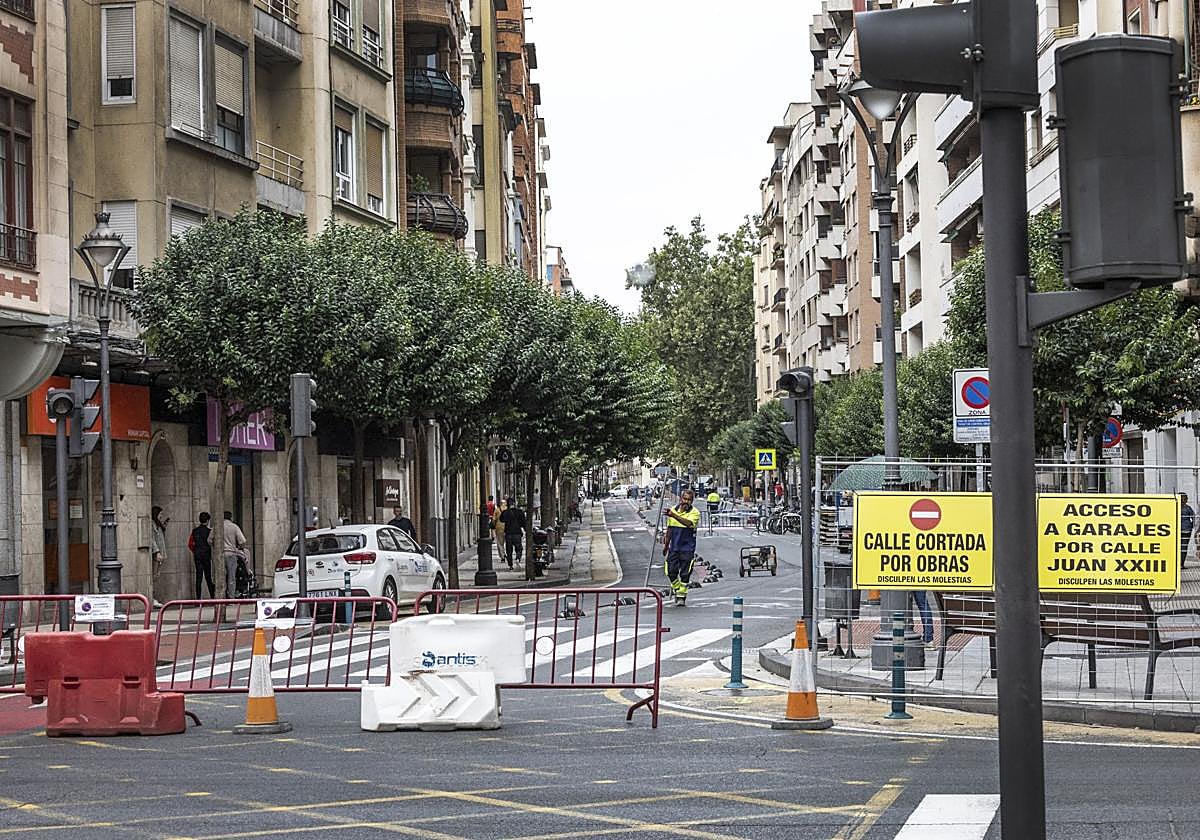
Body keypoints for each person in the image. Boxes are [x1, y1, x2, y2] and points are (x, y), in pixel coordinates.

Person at [662, 490, 701, 606]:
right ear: (681, 499)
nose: (686, 502)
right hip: (674, 548)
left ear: (692, 501)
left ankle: (681, 597)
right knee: (670, 571)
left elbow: (688, 524)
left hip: (687, 548)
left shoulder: (695, 512)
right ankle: (677, 589)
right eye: (685, 499)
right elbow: (670, 529)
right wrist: (666, 545)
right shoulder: (673, 510)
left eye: (689, 500)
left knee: (685, 574)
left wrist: (674, 515)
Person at [187, 512, 216, 599]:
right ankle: (212, 596)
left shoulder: (195, 531)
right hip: (206, 555)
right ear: (207, 521)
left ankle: (198, 598)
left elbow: (190, 544)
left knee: (198, 577)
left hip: (198, 555)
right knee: (208, 577)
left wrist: (195, 551)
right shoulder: (209, 531)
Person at [221, 511, 247, 599]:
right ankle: (231, 597)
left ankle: (221, 596)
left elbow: (209, 540)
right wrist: (239, 548)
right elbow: (243, 541)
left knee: (221, 576)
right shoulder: (234, 527)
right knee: (231, 576)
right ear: (231, 518)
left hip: (220, 555)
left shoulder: (217, 527)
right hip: (231, 554)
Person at [499, 497, 527, 570]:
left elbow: (501, 520)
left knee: (509, 550)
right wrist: (525, 530)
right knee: (519, 548)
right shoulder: (520, 512)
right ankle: (518, 558)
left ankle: (510, 565)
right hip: (517, 533)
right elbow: (524, 522)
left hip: (508, 534)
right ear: (515, 503)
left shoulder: (505, 512)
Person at [151, 506, 169, 606]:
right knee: (154, 575)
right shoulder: (152, 525)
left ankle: (154, 596)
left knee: (157, 575)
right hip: (156, 554)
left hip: (160, 553)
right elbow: (152, 539)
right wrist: (157, 551)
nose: (161, 516)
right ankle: (152, 597)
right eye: (160, 514)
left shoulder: (158, 525)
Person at [1182, 493, 1195, 569]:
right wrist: (1193, 526)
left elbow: (1193, 518)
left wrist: (1193, 526)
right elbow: (1193, 517)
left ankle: (1180, 564)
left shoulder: (1187, 508)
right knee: (1183, 547)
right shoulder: (1188, 508)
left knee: (1182, 547)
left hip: (1184, 530)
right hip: (1186, 529)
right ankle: (1181, 564)